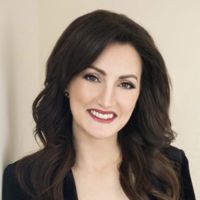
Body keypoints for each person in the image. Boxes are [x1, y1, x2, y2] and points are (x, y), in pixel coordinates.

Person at [2, 9, 196, 200]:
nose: (106, 100)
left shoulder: (171, 167)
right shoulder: (24, 181)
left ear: (140, 95)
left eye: (126, 84)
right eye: (92, 77)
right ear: (66, 81)